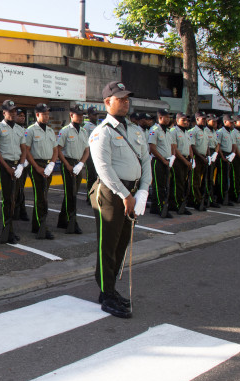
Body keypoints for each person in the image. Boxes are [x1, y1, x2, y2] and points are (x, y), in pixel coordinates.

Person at [88, 81, 151, 319]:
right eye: (120, 99)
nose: (125, 102)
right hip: (112, 195)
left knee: (122, 243)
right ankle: (106, 293)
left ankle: (111, 288)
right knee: (108, 246)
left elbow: (145, 161)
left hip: (132, 194)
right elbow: (103, 169)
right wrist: (126, 195)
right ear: (107, 102)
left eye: (127, 99)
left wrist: (143, 191)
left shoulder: (135, 130)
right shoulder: (101, 132)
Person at [0, 99, 26, 244]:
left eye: (14, 111)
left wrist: (20, 166)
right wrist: (8, 168)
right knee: (7, 198)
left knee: (15, 198)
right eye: (10, 111)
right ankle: (7, 228)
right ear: (4, 112)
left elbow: (24, 149)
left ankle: (11, 229)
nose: (13, 113)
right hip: (5, 165)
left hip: (17, 166)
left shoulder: (20, 129)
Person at [24, 102, 58, 239]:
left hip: (48, 166)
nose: (47, 116)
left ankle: (37, 225)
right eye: (44, 113)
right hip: (36, 165)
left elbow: (55, 150)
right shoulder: (31, 130)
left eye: (47, 113)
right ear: (37, 114)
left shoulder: (50, 131)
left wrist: (52, 164)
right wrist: (36, 167)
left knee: (43, 196)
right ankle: (41, 226)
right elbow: (26, 150)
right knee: (40, 197)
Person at [56, 103, 90, 233]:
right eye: (78, 115)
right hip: (68, 163)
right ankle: (72, 222)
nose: (80, 118)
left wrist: (81, 163)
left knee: (72, 193)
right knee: (71, 194)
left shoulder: (83, 131)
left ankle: (62, 220)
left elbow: (87, 150)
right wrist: (67, 165)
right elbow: (59, 150)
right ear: (71, 115)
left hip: (79, 163)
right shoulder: (64, 131)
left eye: (82, 115)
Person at [148, 109, 173, 217]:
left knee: (164, 185)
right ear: (160, 118)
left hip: (167, 161)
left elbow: (170, 147)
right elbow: (152, 148)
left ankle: (154, 207)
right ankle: (159, 207)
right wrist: (163, 160)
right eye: (166, 117)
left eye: (169, 117)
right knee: (159, 186)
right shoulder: (154, 130)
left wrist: (170, 159)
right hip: (158, 161)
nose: (168, 119)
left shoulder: (167, 131)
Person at [167, 113, 194, 214]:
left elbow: (190, 147)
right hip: (178, 160)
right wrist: (185, 161)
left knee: (183, 182)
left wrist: (191, 159)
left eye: (187, 120)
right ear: (177, 121)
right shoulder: (174, 131)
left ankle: (179, 202)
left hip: (186, 160)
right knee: (177, 183)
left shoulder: (186, 132)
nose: (186, 122)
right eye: (183, 120)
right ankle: (175, 204)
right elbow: (175, 148)